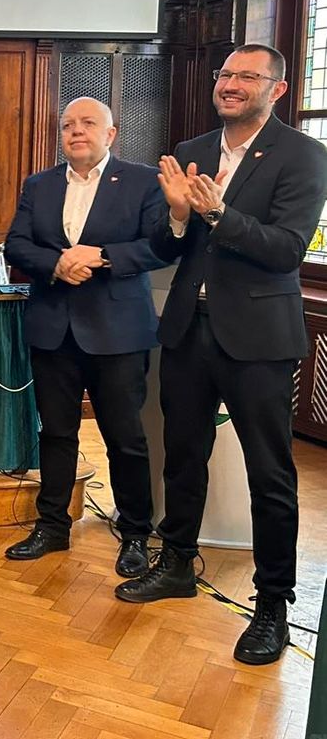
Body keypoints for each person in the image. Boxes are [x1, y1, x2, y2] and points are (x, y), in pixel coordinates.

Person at [115, 44, 327, 667]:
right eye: (226, 74)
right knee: (183, 458)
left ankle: (273, 606)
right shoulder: (194, 149)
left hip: (258, 337)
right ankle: (177, 563)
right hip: (189, 329)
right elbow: (165, 245)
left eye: (247, 77)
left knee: (270, 474)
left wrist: (219, 212)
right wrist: (180, 218)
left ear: (277, 89)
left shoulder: (303, 154)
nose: (231, 84)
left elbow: (286, 249)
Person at [4, 97, 166, 576]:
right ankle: (53, 525)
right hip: (53, 328)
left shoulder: (142, 181)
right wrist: (56, 264)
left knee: (124, 438)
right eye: (68, 124)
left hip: (118, 332)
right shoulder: (40, 184)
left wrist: (103, 256)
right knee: (55, 433)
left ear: (111, 134)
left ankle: (134, 533)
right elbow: (17, 244)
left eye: (88, 123)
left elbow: (160, 246)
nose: (76, 131)